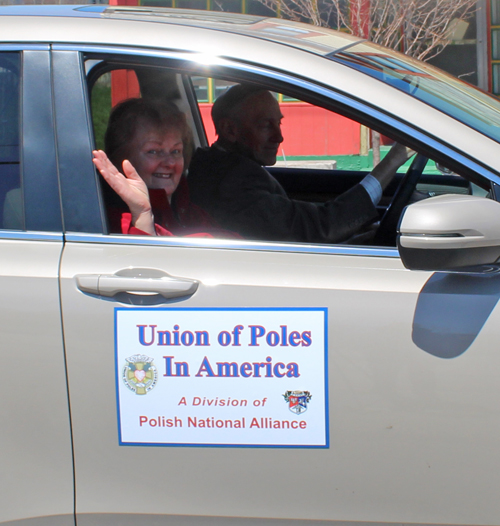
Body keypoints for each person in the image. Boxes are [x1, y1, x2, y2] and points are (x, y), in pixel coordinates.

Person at [188, 83, 411, 243]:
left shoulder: (224, 168)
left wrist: (361, 236)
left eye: (279, 124)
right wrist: (393, 160)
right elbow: (319, 229)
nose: (279, 137)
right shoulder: (233, 183)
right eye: (266, 125)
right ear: (230, 130)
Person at [93, 98, 226, 238]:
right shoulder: (107, 221)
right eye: (153, 151)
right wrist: (142, 216)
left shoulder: (189, 210)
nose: (170, 163)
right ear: (119, 158)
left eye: (176, 151)